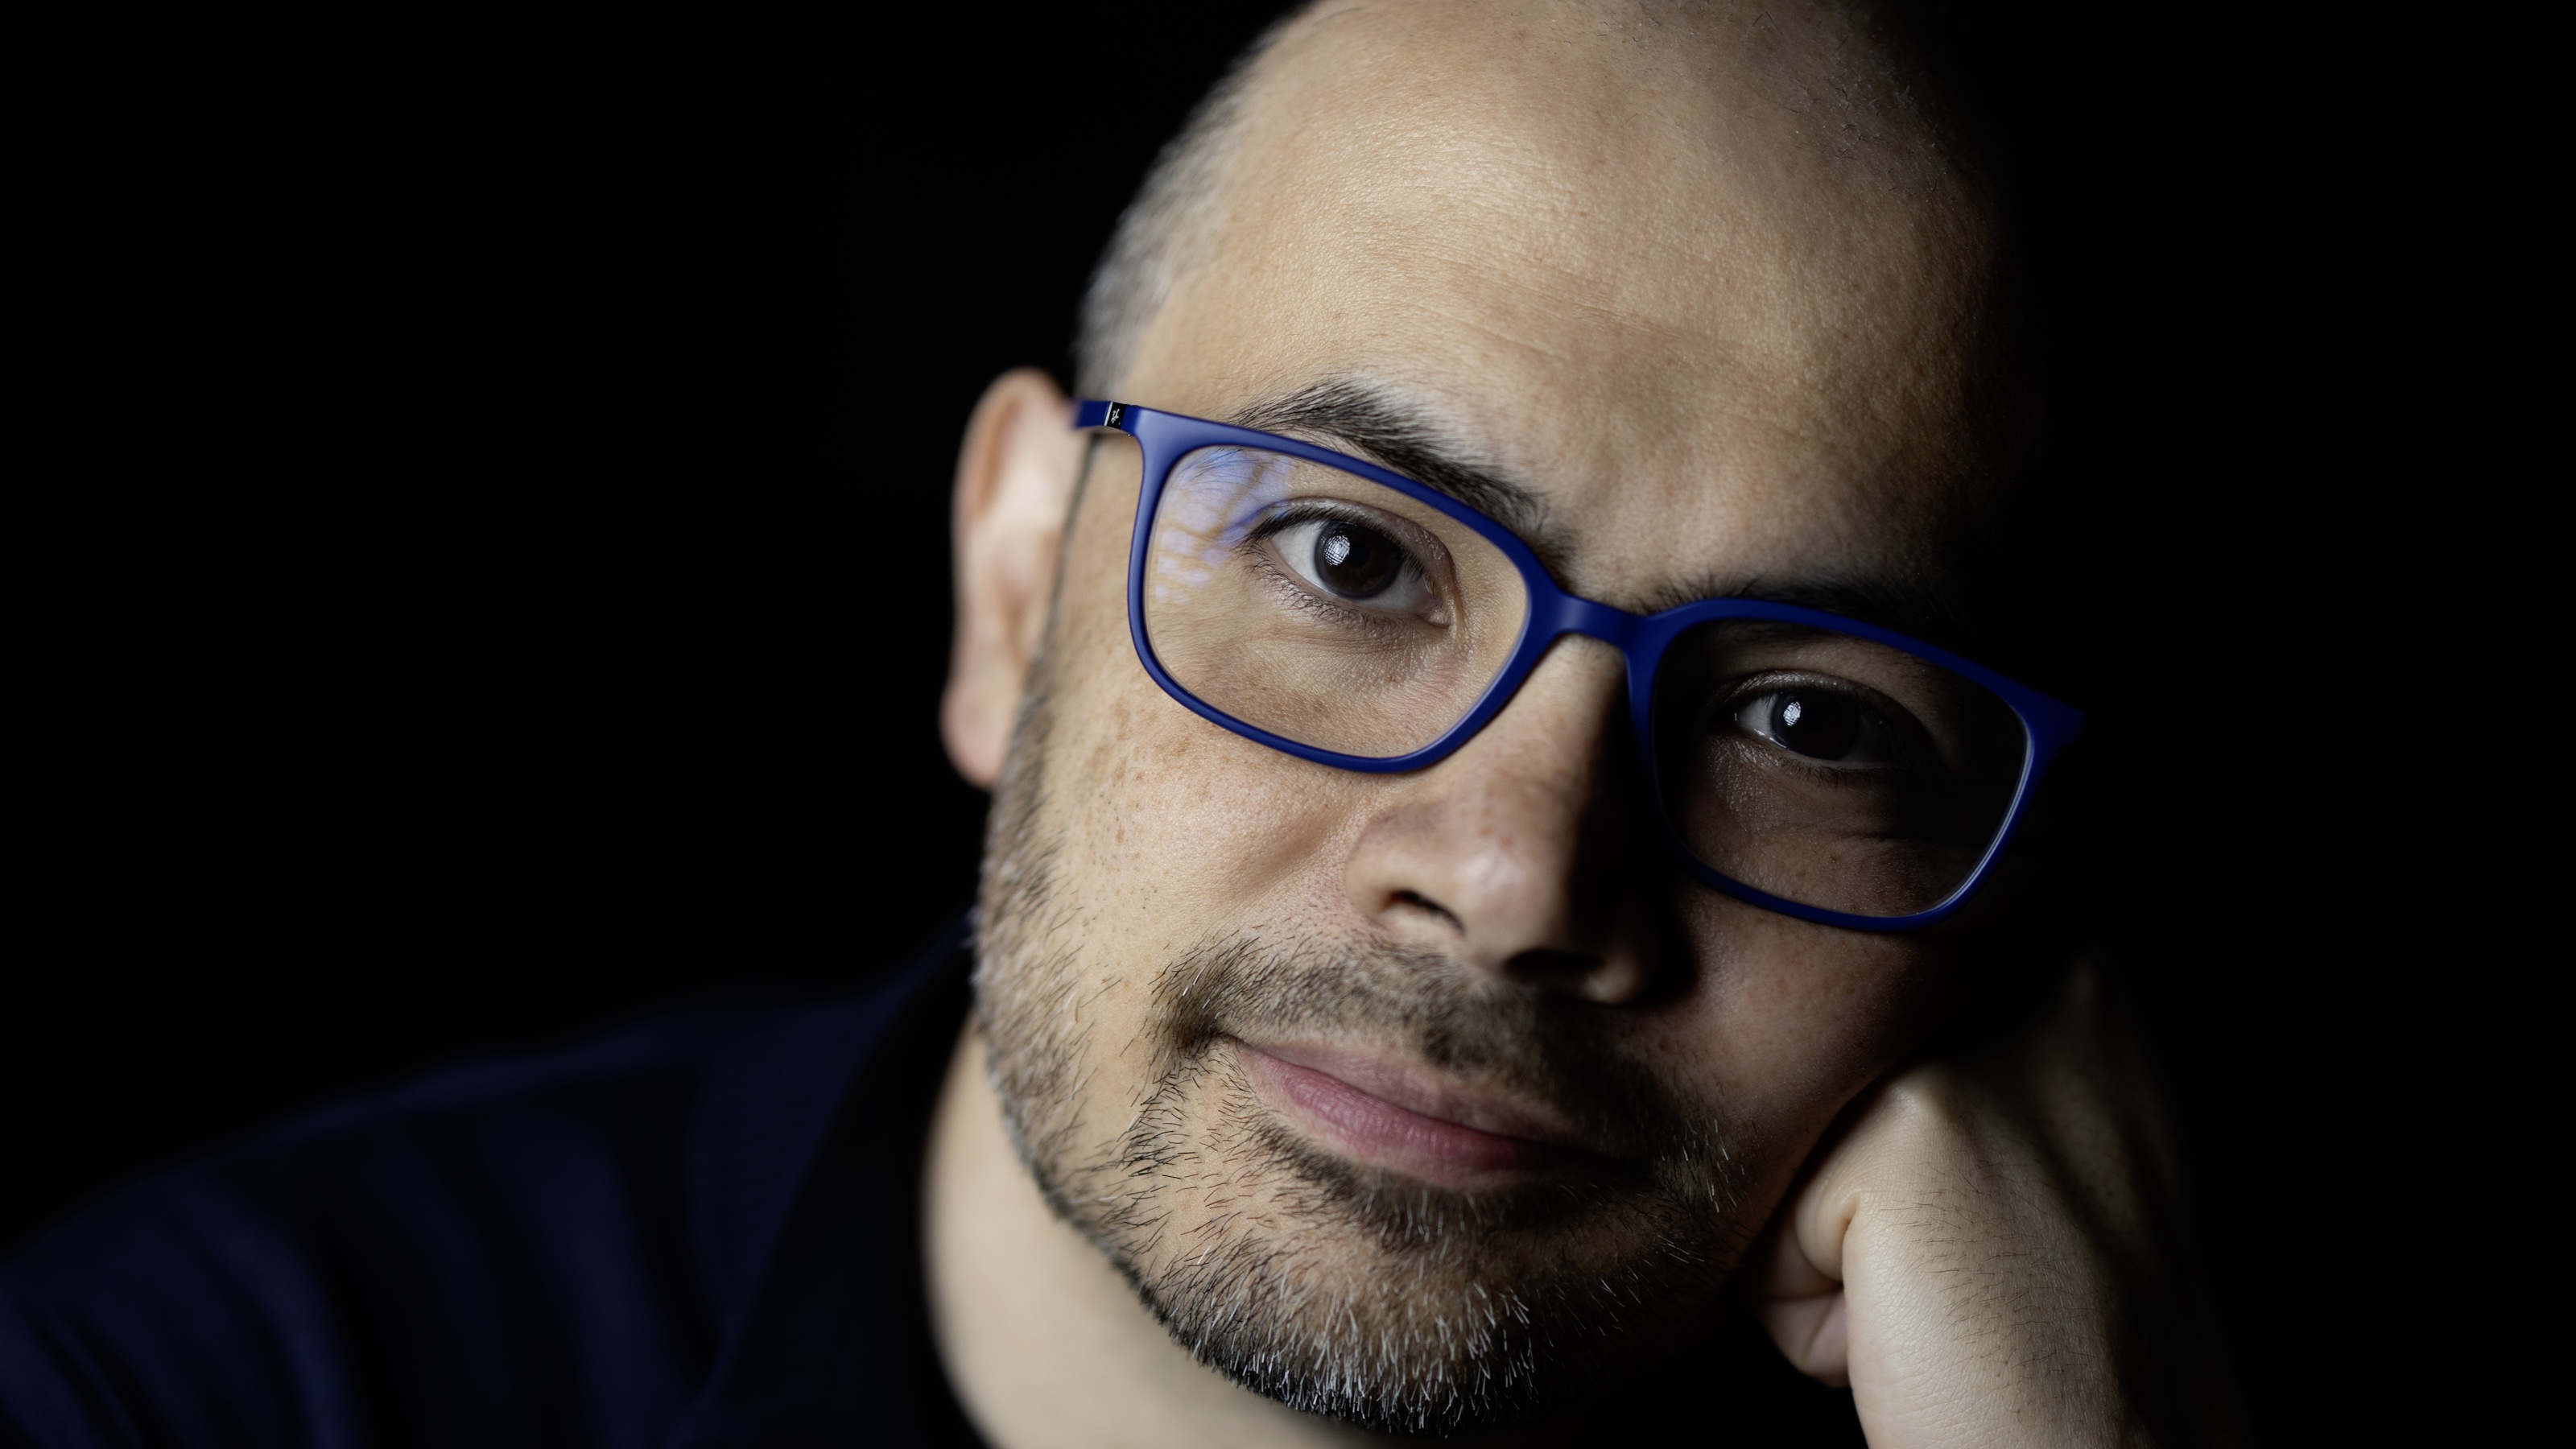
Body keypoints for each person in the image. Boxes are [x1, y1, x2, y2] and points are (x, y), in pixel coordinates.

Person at [2, 2, 2234, 1443]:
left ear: (2026, 891)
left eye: (1806, 719)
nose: (1518, 879)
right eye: (1354, 561)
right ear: (1008, 589)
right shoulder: (186, 1400)